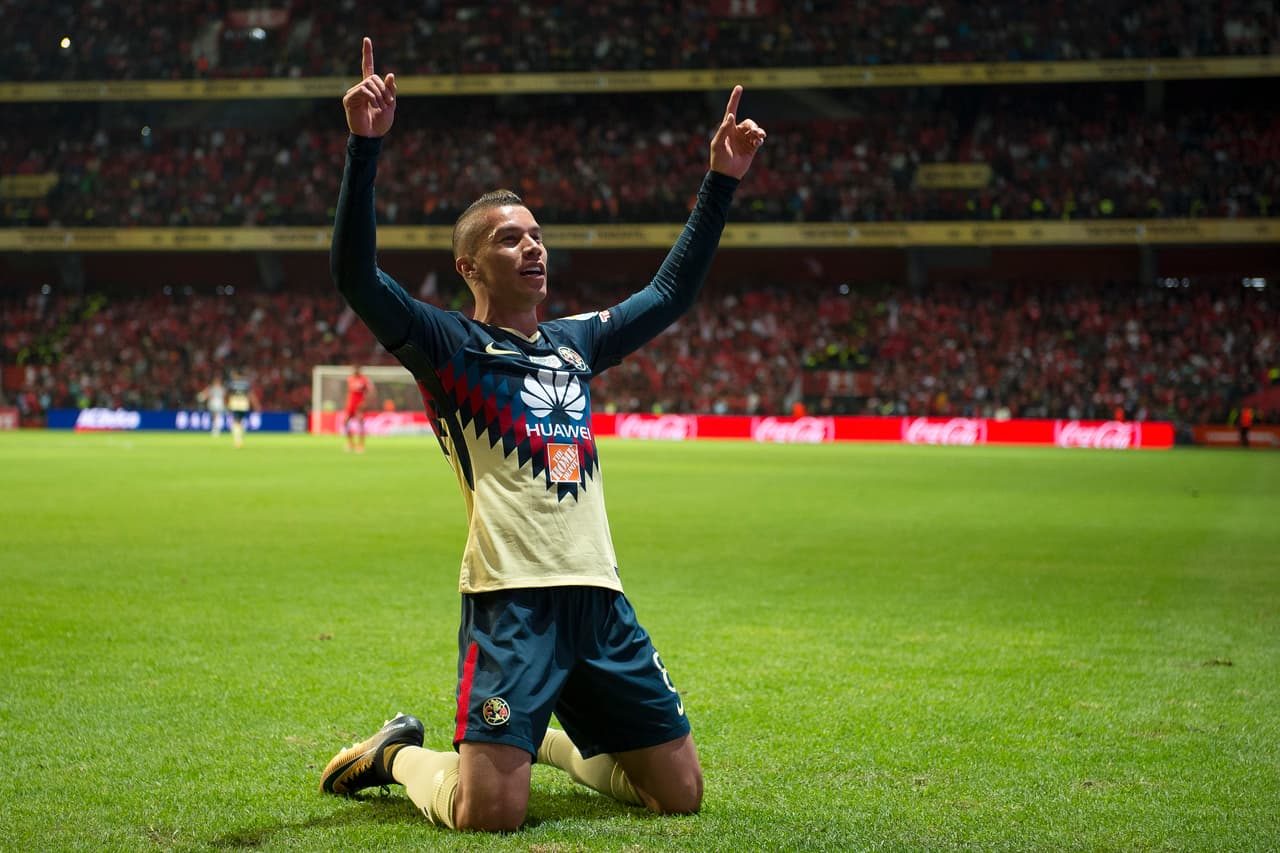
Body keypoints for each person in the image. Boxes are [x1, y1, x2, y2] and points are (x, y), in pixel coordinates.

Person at [318, 37, 765, 833]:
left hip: (600, 599)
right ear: (468, 266)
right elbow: (356, 277)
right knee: (487, 813)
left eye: (535, 234)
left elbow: (668, 293)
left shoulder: (575, 342)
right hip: (511, 602)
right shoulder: (447, 347)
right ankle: (394, 754)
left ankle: (545, 741)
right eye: (509, 238)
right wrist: (364, 148)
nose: (533, 246)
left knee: (680, 795)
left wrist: (718, 185)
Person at [343, 365, 376, 452]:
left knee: (360, 422)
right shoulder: (350, 379)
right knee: (345, 422)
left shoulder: (364, 379)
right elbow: (349, 392)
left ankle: (361, 445)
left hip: (360, 403)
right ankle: (351, 443)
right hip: (351, 404)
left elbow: (371, 392)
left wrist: (366, 403)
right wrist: (347, 403)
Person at [225, 370, 260, 449]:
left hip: (235, 404)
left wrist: (227, 404)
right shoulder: (245, 384)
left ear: (236, 375)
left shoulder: (232, 384)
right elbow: (250, 395)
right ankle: (239, 438)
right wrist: (256, 404)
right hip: (244, 405)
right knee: (240, 421)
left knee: (236, 422)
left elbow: (228, 395)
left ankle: (238, 441)